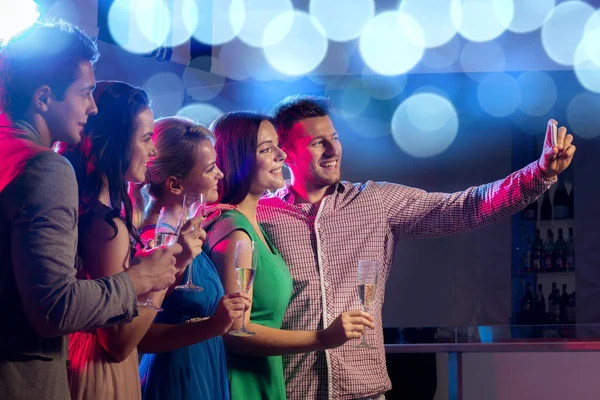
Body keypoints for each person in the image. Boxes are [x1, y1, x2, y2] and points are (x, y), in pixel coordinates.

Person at [257, 95, 576, 400]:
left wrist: (539, 174)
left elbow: (465, 207)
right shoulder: (261, 214)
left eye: (335, 137)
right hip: (289, 390)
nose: (332, 150)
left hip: (362, 392)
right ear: (286, 153)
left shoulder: (374, 202)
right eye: (317, 142)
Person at [0, 22, 180, 400]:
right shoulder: (46, 169)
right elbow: (54, 309)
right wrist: (142, 279)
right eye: (84, 94)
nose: (92, 106)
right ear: (44, 98)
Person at [203, 111, 375, 400]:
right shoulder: (235, 230)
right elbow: (235, 332)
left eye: (278, 146)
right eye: (266, 149)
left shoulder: (252, 223)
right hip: (244, 385)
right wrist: (323, 338)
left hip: (265, 378)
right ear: (238, 158)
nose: (282, 155)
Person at [56, 81, 205, 399]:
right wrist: (167, 271)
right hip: (99, 372)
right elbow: (119, 342)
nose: (153, 151)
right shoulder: (107, 224)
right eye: (146, 138)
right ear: (114, 142)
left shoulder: (93, 208)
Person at [136, 116, 251, 400]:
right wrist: (211, 326)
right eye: (211, 169)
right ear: (175, 184)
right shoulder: (153, 242)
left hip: (204, 365)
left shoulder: (186, 234)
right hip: (176, 375)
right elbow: (139, 337)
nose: (221, 175)